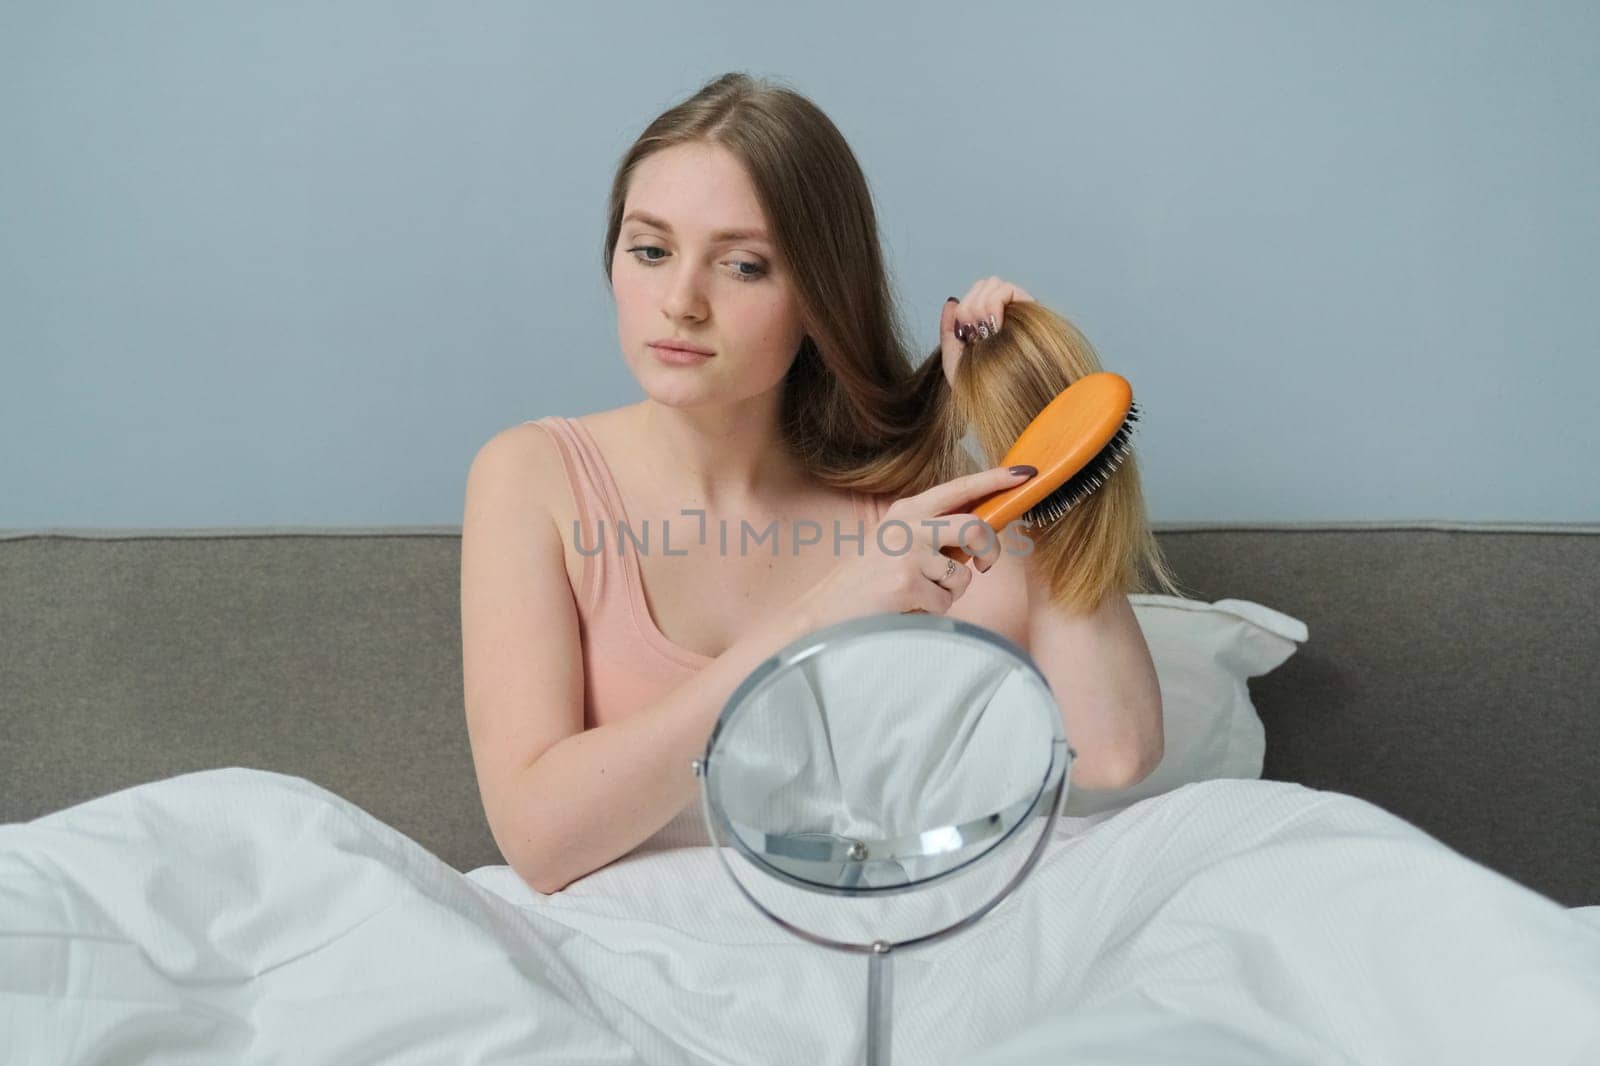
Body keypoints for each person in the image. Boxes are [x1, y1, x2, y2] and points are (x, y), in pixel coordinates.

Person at [460, 72, 1165, 895]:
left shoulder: (914, 509)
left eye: (745, 266)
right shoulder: (534, 478)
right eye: (649, 250)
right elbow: (539, 841)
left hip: (875, 945)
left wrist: (1032, 443)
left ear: (820, 294)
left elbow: (1117, 750)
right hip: (638, 949)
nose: (680, 302)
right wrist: (824, 610)